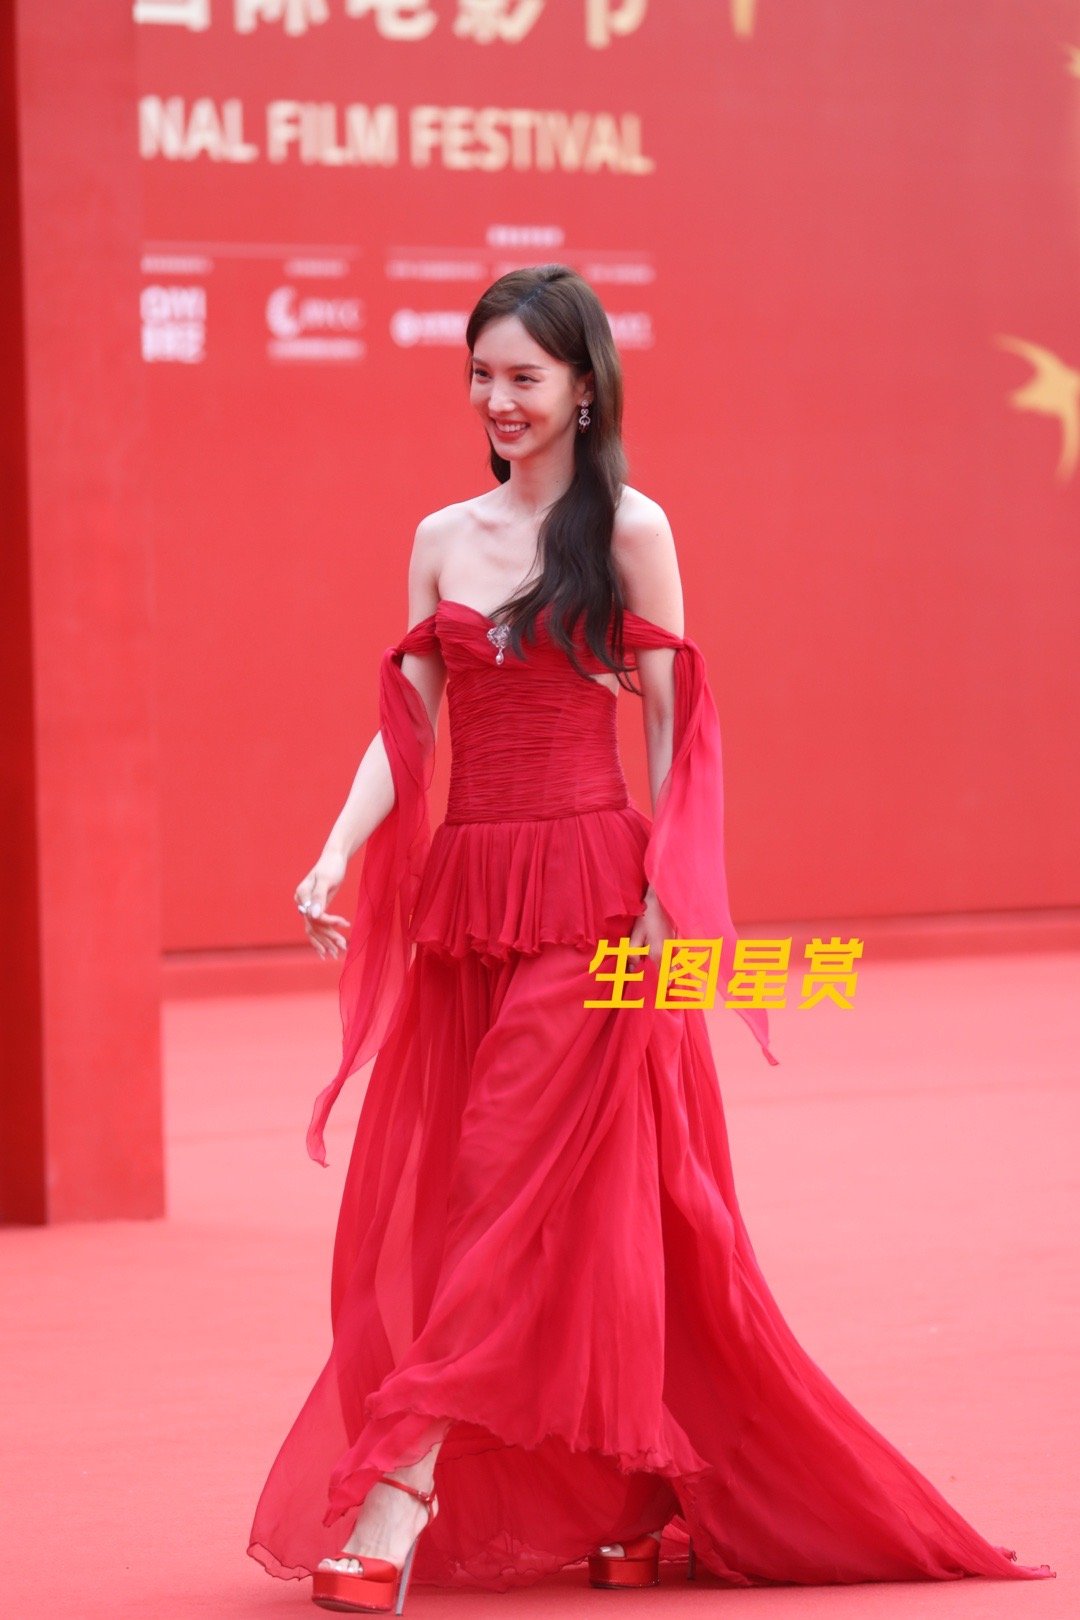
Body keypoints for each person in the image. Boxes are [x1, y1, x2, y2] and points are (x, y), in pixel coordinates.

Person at [247, 265, 1054, 1611]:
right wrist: (335, 849)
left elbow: (677, 726)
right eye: (481, 375)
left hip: (598, 905)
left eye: (525, 376)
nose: (498, 399)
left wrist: (673, 907)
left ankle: (402, 1485)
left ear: (583, 386)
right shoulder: (442, 536)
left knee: (507, 1177)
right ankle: (647, 1492)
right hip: (473, 905)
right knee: (574, 1208)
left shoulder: (631, 527)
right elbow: (410, 724)